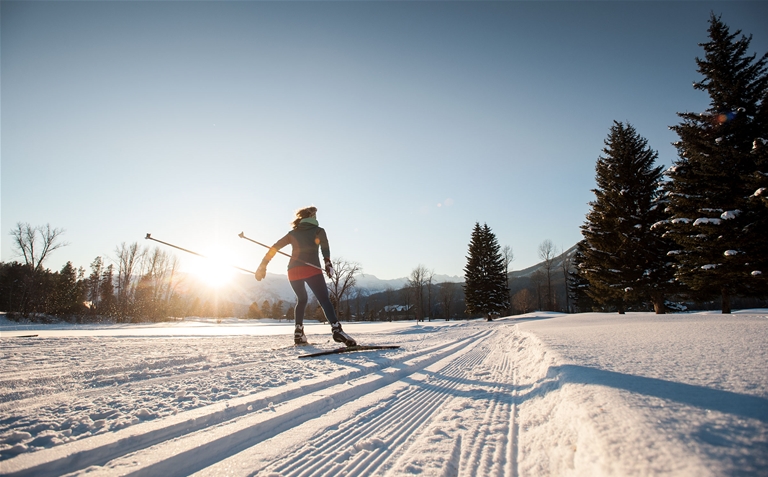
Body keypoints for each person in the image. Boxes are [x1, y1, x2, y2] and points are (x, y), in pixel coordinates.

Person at [254, 206, 357, 347]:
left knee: (302, 300)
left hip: (293, 271)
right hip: (311, 269)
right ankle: (337, 330)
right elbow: (324, 247)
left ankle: (298, 332)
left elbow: (275, 247)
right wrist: (327, 263)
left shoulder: (293, 233)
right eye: (315, 215)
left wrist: (263, 265)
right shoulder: (318, 231)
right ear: (311, 216)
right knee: (324, 300)